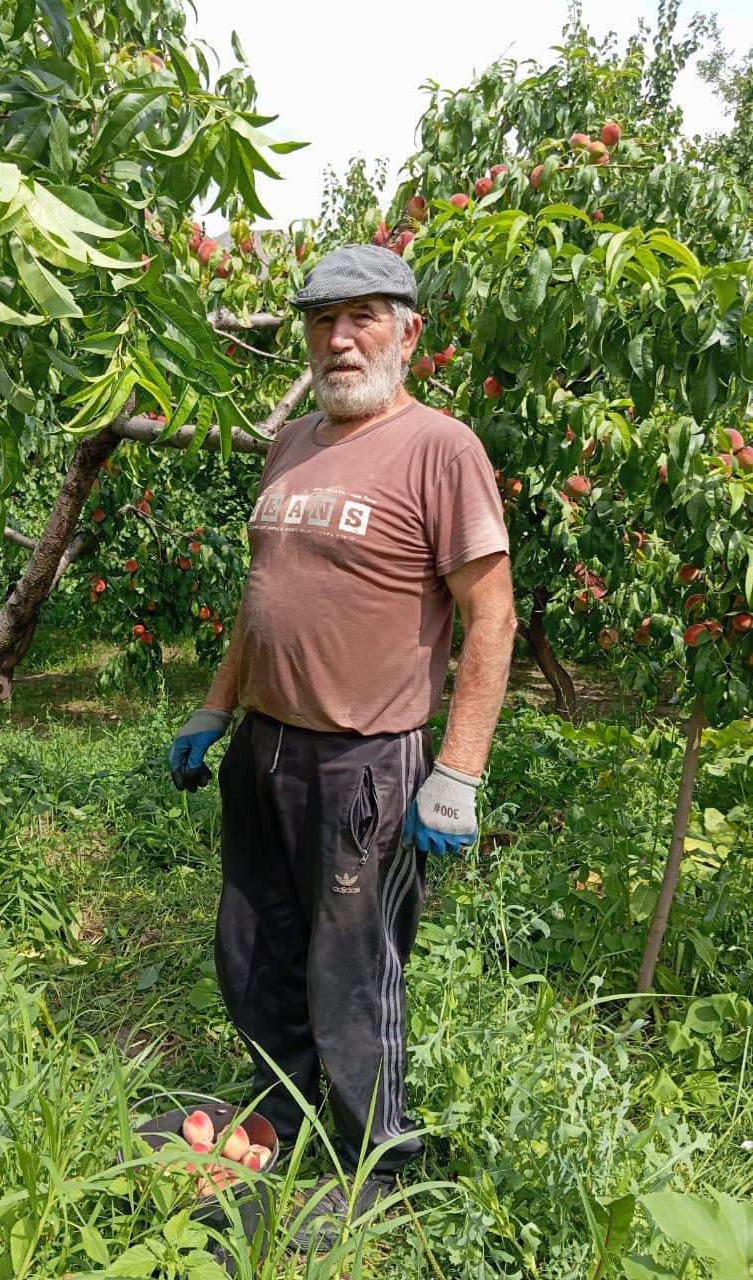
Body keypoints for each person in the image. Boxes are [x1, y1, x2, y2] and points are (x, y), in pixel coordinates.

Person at [168, 245, 517, 1245]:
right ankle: (278, 1108)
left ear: (409, 332)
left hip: (368, 760)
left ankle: (381, 1164)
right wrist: (213, 709)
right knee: (256, 946)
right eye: (323, 319)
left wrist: (457, 773)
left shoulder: (440, 448)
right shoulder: (291, 444)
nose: (339, 337)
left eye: (363, 316)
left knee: (355, 969)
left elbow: (488, 616)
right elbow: (262, 599)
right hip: (267, 749)